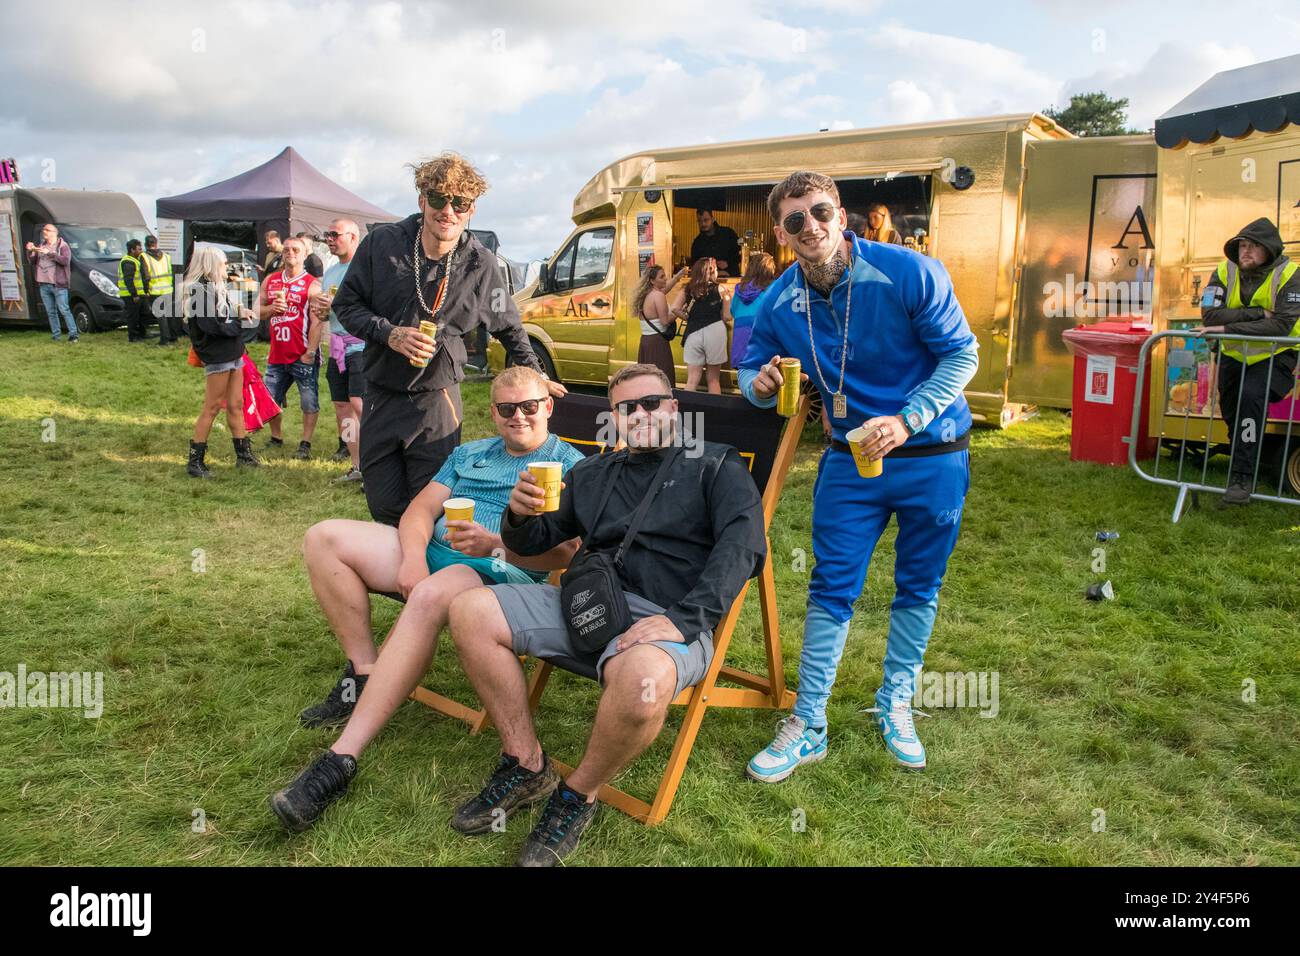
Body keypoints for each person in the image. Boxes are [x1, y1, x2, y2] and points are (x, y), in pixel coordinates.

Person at [442, 364, 764, 866]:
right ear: (613, 417)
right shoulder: (591, 473)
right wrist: (519, 515)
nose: (640, 414)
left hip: (668, 617)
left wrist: (684, 620)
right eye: (626, 407)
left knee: (640, 684)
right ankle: (526, 763)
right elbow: (536, 543)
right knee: (468, 609)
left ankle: (576, 793)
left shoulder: (716, 466)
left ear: (673, 408)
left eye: (651, 403)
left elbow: (743, 549)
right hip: (590, 604)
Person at [267, 366, 585, 833]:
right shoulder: (470, 453)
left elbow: (568, 556)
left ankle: (341, 758)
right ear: (493, 413)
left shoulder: (572, 467)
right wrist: (412, 559)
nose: (519, 416)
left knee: (434, 591)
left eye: (530, 406)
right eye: (507, 408)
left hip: (499, 574)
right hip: (434, 555)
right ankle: (366, 671)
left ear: (548, 407)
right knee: (324, 537)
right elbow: (419, 510)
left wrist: (496, 543)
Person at [739, 170, 979, 779]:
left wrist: (910, 418)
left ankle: (894, 701)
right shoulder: (779, 299)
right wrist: (760, 385)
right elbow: (748, 372)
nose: (810, 227)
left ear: (840, 214)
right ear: (781, 232)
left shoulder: (909, 272)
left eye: (820, 212)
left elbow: (962, 354)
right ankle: (809, 720)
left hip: (933, 455)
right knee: (831, 584)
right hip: (849, 461)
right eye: (795, 220)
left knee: (919, 584)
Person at [334, 151, 566, 527]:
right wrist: (389, 334)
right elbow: (347, 305)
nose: (449, 211)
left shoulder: (480, 264)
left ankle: (426, 583)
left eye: (460, 203)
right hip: (380, 392)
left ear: (471, 209)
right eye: (439, 199)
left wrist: (536, 375)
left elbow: (508, 326)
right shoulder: (383, 244)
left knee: (430, 508)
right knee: (383, 505)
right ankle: (402, 579)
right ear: (422, 200)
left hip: (437, 400)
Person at [1190, 217, 1300, 507]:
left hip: (1275, 356)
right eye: (1242, 246)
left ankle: (1241, 478)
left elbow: (1281, 326)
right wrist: (1256, 313)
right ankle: (1244, 453)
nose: (1246, 252)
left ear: (1270, 250)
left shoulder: (1290, 274)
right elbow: (1209, 316)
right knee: (1232, 411)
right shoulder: (1224, 270)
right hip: (1232, 356)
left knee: (1250, 400)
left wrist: (1228, 326)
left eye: (1254, 246)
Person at [182, 247, 262, 477]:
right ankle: (195, 461)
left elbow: (221, 316)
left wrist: (238, 312)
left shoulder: (216, 288)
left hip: (232, 353)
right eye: (222, 263)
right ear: (210, 264)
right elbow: (212, 327)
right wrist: (238, 325)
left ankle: (244, 456)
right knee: (212, 407)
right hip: (218, 355)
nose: (225, 267)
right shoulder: (199, 291)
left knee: (236, 405)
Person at [258, 237, 323, 459]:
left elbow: (317, 322)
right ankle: (276, 438)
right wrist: (271, 309)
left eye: (295, 249)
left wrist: (310, 353)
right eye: (286, 249)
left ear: (305, 254)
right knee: (270, 399)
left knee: (308, 400)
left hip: (302, 353)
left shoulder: (312, 284)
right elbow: (256, 311)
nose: (290, 253)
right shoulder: (271, 280)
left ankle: (305, 444)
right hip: (277, 354)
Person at [315, 219, 366, 482]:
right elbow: (328, 314)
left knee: (360, 405)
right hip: (336, 345)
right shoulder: (331, 271)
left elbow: (374, 307)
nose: (329, 239)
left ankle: (377, 465)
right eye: (328, 234)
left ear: (354, 237)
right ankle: (357, 466)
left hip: (361, 345)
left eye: (335, 234)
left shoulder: (367, 268)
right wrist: (322, 311)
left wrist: (339, 303)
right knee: (342, 407)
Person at [680, 257, 731, 394]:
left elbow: (674, 308)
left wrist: (687, 317)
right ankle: (715, 414)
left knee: (692, 380)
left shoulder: (688, 289)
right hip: (715, 331)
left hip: (693, 332)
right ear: (712, 271)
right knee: (713, 380)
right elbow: (727, 316)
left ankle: (686, 412)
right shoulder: (721, 289)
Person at [632, 263, 687, 384]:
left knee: (647, 378)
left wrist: (677, 277)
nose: (665, 279)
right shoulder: (658, 295)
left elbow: (665, 289)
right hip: (657, 342)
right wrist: (678, 311)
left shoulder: (646, 294)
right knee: (662, 378)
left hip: (646, 341)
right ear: (652, 281)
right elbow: (665, 321)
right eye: (662, 277)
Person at [25, 224, 78, 342]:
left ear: (55, 232)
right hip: (43, 284)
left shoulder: (63, 246)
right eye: (44, 230)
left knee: (64, 310)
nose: (44, 232)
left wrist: (49, 253)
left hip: (58, 285)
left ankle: (73, 335)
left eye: (47, 230)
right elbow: (32, 262)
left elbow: (65, 261)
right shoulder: (41, 245)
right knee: (51, 312)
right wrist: (30, 251)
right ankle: (56, 336)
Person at [729, 252, 776, 369]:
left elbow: (733, 311)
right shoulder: (774, 287)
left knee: (745, 380)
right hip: (762, 340)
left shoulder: (740, 288)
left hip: (741, 342)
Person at [142, 235, 178, 346]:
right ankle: (173, 337)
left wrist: (146, 290)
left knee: (161, 316)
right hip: (168, 289)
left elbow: (146, 276)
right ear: (156, 244)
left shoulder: (144, 256)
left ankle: (164, 340)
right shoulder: (166, 256)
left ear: (145, 244)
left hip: (155, 291)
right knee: (170, 314)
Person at [690, 208, 741, 277]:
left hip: (731, 278)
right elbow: (695, 266)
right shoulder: (697, 243)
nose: (703, 224)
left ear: (713, 219)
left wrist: (728, 263)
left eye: (706, 220)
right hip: (708, 282)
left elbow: (740, 252)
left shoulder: (728, 233)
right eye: (699, 221)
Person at [118, 239, 150, 342]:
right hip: (130, 294)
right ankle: (133, 337)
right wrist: (134, 295)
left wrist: (144, 291)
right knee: (133, 317)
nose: (141, 251)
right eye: (139, 249)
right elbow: (128, 280)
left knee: (144, 313)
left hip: (140, 293)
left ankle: (142, 334)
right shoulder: (128, 261)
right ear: (132, 250)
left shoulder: (136, 259)